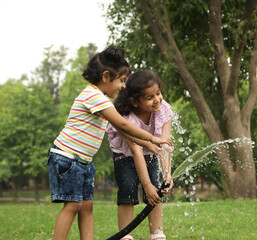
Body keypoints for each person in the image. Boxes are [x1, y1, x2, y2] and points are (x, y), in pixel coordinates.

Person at [46, 46, 172, 240]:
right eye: (121, 81)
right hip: (67, 158)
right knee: (73, 205)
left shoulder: (102, 100)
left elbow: (122, 130)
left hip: (83, 162)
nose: (123, 86)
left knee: (87, 207)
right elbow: (123, 124)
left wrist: (146, 145)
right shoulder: (93, 96)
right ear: (106, 76)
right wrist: (152, 138)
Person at [106, 70, 173, 240]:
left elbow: (164, 145)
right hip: (126, 155)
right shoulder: (127, 118)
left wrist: (167, 175)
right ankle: (125, 234)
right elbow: (136, 151)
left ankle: (157, 232)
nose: (157, 99)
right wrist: (147, 185)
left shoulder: (164, 110)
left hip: (150, 152)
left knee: (157, 190)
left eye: (158, 93)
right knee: (128, 190)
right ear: (135, 102)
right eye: (149, 98)